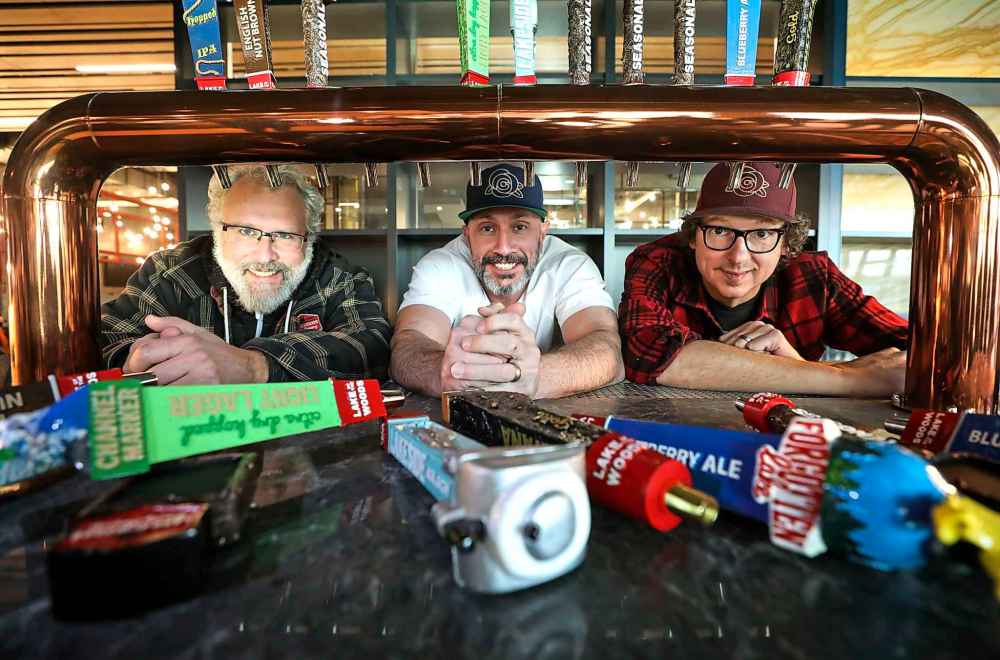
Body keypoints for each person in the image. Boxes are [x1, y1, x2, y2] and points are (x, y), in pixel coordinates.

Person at [620, 161, 908, 396]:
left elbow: (923, 355)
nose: (738, 257)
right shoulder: (659, 260)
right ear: (693, 236)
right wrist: (853, 381)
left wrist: (791, 360)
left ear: (786, 244)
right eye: (720, 231)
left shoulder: (815, 277)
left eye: (762, 234)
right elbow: (645, 355)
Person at [100, 164, 391, 385]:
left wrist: (251, 366)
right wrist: (141, 359)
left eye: (286, 235)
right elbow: (106, 341)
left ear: (309, 237)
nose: (265, 256)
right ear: (216, 229)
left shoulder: (341, 278)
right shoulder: (169, 272)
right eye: (246, 232)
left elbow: (371, 348)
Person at [391, 163, 624, 399]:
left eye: (520, 227)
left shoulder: (570, 264)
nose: (503, 247)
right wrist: (444, 373)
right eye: (487, 228)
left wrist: (534, 376)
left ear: (543, 230)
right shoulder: (439, 264)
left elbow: (606, 345)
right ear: (466, 233)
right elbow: (409, 343)